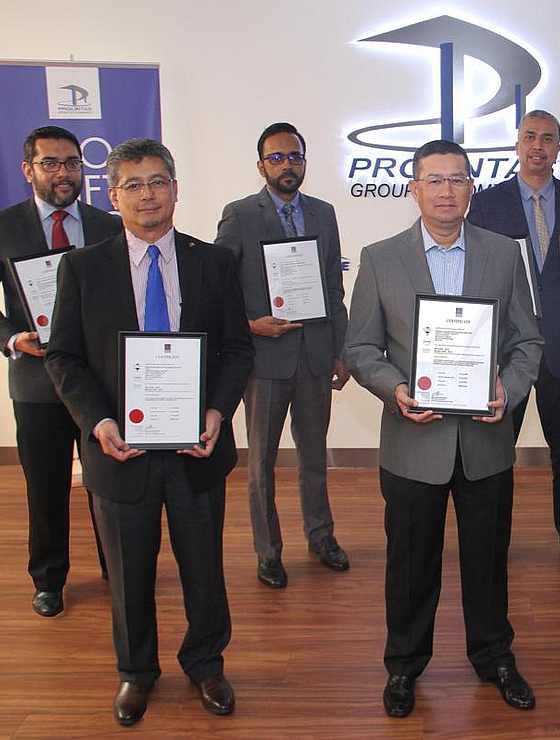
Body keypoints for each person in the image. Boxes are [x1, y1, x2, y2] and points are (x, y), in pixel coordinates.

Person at [45, 138, 253, 725]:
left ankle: (206, 664)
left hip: (196, 447)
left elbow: (237, 350)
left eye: (157, 181)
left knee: (203, 568)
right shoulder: (83, 268)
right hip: (120, 450)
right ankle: (136, 672)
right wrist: (99, 422)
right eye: (132, 185)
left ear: (175, 190)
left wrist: (217, 412)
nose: (147, 195)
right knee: (129, 572)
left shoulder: (214, 262)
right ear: (112, 197)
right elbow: (64, 357)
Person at [344, 139, 543, 717]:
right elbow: (361, 348)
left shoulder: (503, 254)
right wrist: (395, 389)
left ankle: (495, 657)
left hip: (485, 441)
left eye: (457, 179)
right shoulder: (380, 258)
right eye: (434, 180)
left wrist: (510, 387)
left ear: (471, 188)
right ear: (414, 189)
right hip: (413, 442)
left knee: (488, 558)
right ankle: (404, 666)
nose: (446, 191)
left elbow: (527, 340)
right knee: (410, 565)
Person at [0, 125, 119, 617]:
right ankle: (49, 580)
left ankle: (117, 569)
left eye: (72, 162)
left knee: (108, 483)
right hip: (37, 384)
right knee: (46, 487)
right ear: (27, 170)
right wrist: (12, 337)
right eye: (50, 163)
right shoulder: (0, 227)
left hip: (99, 382)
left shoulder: (107, 225)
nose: (63, 172)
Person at [467, 110, 560, 572]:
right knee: (498, 452)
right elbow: (480, 272)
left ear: (558, 148)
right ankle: (494, 538)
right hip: (509, 350)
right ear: (517, 144)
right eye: (530, 137)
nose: (538, 146)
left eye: (548, 138)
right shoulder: (487, 203)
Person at [216, 122, 350, 587]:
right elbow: (218, 286)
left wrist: (340, 349)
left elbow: (333, 286)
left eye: (294, 156)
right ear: (261, 166)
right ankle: (268, 551)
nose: (286, 164)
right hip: (265, 358)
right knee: (261, 464)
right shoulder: (239, 215)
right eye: (276, 157)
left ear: (304, 163)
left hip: (315, 355)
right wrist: (249, 323)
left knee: (314, 456)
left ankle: (321, 536)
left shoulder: (323, 214)